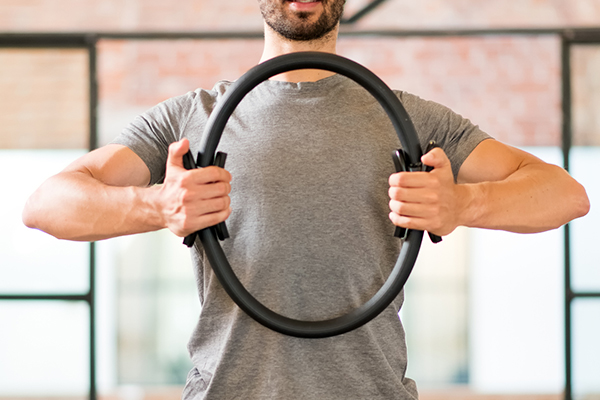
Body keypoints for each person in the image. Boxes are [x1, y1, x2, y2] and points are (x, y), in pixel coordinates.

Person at [23, 0, 589, 398]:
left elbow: (566, 194)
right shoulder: (191, 119)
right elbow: (46, 204)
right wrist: (157, 205)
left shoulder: (413, 120)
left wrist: (466, 205)